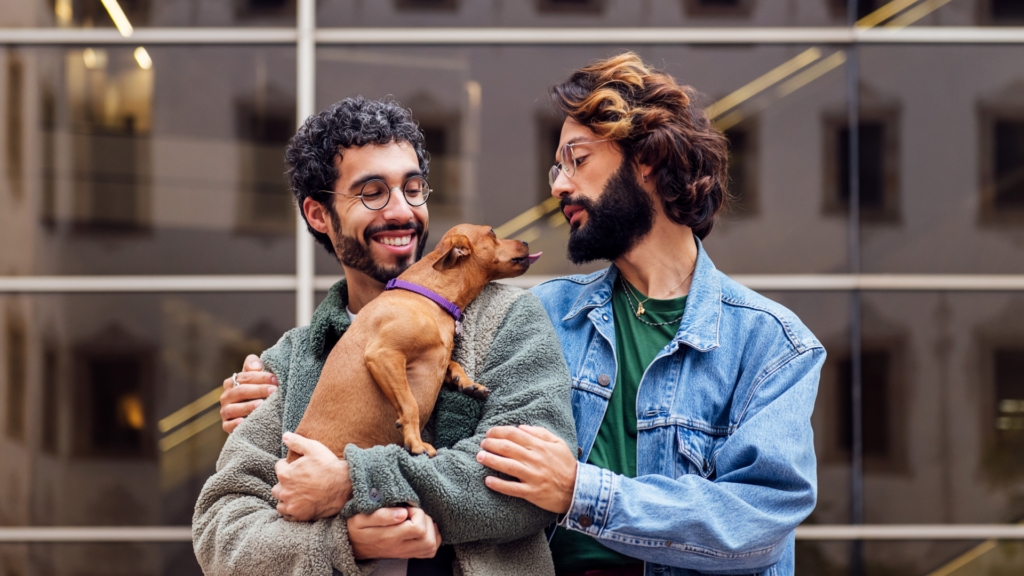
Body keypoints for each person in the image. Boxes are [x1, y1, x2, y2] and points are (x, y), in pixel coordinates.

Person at [193, 96, 576, 576]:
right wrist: (344, 542)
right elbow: (220, 530)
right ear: (317, 214)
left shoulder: (509, 318)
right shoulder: (289, 361)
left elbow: (532, 488)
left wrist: (354, 483)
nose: (401, 211)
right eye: (372, 192)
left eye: (413, 189)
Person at [474, 53, 824, 576]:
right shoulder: (543, 314)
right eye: (557, 166)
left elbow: (757, 523)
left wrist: (579, 491)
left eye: (578, 159)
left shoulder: (771, 344)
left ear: (649, 159)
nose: (559, 186)